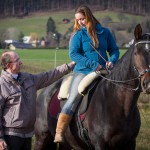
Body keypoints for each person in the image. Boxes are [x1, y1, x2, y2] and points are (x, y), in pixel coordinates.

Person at [54, 5, 120, 143]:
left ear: (89, 16)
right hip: (83, 72)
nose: (80, 22)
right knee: (72, 98)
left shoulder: (105, 32)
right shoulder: (78, 35)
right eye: (78, 20)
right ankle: (59, 132)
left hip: (104, 71)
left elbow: (114, 50)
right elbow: (73, 54)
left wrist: (112, 61)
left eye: (82, 19)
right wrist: (92, 64)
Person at [0, 50, 75, 150]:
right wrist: (0, 139)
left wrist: (69, 66)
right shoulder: (2, 85)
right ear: (9, 65)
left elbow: (49, 75)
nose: (20, 62)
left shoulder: (28, 78)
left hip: (28, 135)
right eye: (17, 60)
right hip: (10, 137)